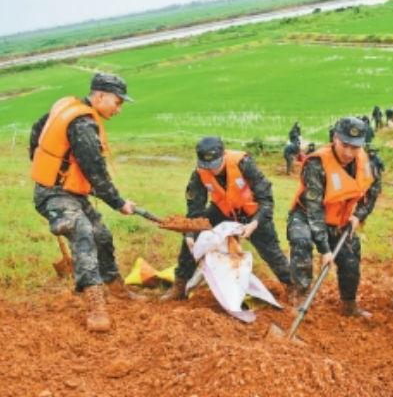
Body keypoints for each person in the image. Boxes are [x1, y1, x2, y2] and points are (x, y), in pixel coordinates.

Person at [29, 73, 146, 333]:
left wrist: (46, 163)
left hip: (70, 191)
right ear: (101, 95)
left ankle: (115, 287)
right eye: (117, 102)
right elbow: (96, 173)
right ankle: (95, 305)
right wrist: (120, 203)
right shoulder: (82, 124)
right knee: (82, 232)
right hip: (53, 194)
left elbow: (36, 129)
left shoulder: (68, 107)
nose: (119, 109)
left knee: (101, 234)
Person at [161, 136, 293, 302]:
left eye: (215, 164)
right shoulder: (199, 173)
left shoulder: (244, 164)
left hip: (251, 212)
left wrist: (254, 223)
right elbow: (195, 209)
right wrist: (189, 233)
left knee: (271, 250)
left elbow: (266, 200)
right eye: (206, 166)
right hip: (222, 211)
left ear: (223, 154)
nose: (211, 170)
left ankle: (292, 286)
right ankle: (180, 285)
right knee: (193, 235)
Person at [287, 117, 380, 317]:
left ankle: (349, 305)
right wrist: (324, 249)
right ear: (336, 138)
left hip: (340, 220)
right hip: (305, 215)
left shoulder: (366, 163)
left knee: (350, 260)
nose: (348, 152)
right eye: (344, 145)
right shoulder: (316, 164)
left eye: (354, 147)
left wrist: (359, 215)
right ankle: (299, 301)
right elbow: (314, 209)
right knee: (301, 242)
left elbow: (373, 191)